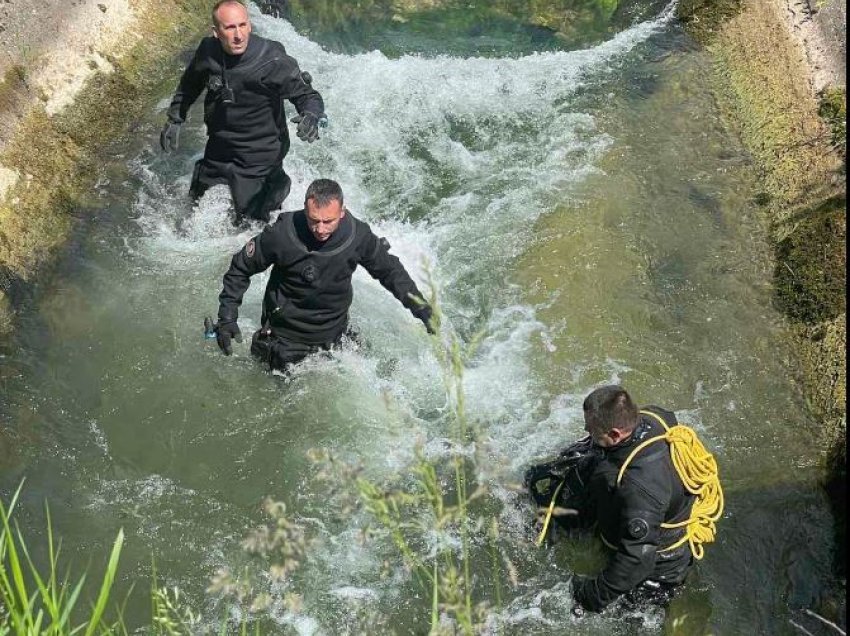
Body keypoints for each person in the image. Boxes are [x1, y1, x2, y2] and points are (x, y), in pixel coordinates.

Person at [526, 385, 723, 615]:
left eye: (591, 429)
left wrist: (589, 596)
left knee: (633, 618)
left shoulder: (638, 487)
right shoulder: (655, 416)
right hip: (654, 506)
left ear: (615, 434)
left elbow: (638, 559)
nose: (585, 430)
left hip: (659, 564)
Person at [212, 178, 435, 371]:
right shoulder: (282, 234)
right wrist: (227, 318)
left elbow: (390, 271)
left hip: (336, 332)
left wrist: (421, 307)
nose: (320, 229)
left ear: (342, 212)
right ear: (305, 210)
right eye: (313, 220)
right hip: (285, 338)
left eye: (328, 221)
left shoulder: (358, 236)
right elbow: (240, 268)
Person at [160, 0, 326, 224]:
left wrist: (311, 115)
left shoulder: (272, 61)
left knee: (249, 224)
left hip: (259, 154)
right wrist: (175, 117)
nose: (238, 35)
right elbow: (190, 83)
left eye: (242, 25)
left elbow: (308, 96)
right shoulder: (208, 52)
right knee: (193, 211)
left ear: (250, 26)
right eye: (229, 28)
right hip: (220, 148)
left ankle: (277, 187)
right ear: (216, 32)